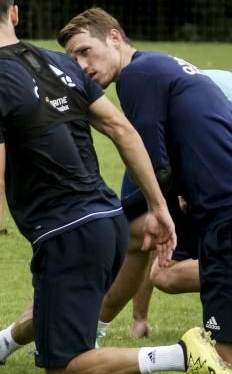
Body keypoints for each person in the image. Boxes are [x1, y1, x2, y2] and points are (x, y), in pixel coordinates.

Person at [0, 0, 231, 374]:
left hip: (78, 230)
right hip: (115, 220)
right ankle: (0, 345)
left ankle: (178, 354)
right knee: (91, 290)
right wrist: (156, 209)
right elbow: (123, 131)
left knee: (65, 366)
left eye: (87, 50)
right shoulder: (65, 64)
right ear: (14, 14)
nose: (82, 61)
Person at [58, 9, 232, 367]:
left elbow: (155, 163)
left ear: (115, 38)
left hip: (223, 210)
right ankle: (91, 326)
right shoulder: (156, 67)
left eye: (85, 51)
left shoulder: (138, 76)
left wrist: (136, 210)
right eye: (72, 58)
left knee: (222, 358)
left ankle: (80, 330)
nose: (81, 65)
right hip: (213, 206)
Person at [96, 69, 232, 340]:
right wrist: (139, 318)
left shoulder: (195, 116)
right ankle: (97, 327)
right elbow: (141, 237)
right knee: (163, 270)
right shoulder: (150, 132)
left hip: (209, 169)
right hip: (180, 154)